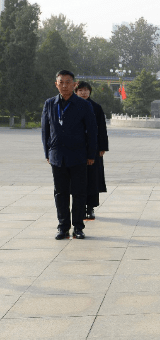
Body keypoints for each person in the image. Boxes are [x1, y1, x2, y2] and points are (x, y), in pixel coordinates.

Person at [42, 70, 98, 240]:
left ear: (74, 84)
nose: (65, 85)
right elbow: (46, 131)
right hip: (57, 157)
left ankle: (78, 227)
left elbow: (92, 131)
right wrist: (48, 153)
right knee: (60, 193)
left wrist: (91, 154)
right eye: (61, 82)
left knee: (79, 193)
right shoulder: (50, 104)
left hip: (78, 156)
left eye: (68, 82)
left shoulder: (83, 105)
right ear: (56, 84)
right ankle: (63, 227)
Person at [74, 81, 108, 221]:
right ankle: (79, 207)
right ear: (76, 92)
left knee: (93, 179)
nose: (84, 93)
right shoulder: (72, 106)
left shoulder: (96, 107)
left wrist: (102, 147)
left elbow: (102, 129)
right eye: (81, 90)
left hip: (93, 149)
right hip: (76, 149)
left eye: (86, 90)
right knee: (78, 179)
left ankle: (90, 208)